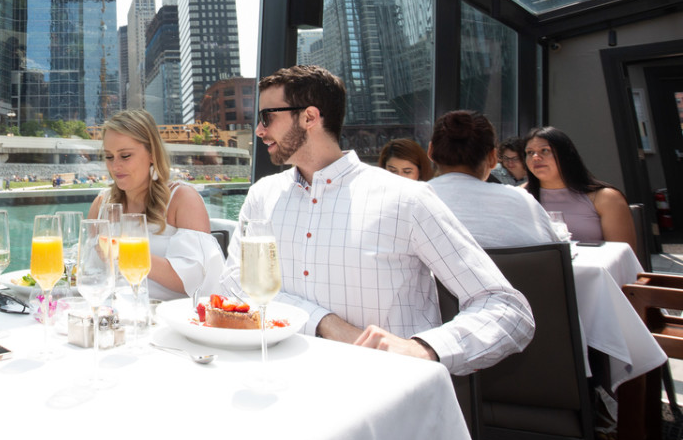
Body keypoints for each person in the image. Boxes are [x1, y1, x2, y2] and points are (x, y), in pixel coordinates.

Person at [221, 65, 533, 375]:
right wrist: (324, 322)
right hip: (279, 379)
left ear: (310, 117)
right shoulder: (262, 196)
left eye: (266, 117)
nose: (259, 130)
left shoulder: (406, 199)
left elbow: (506, 308)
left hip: (386, 388)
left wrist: (424, 349)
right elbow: (234, 284)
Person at [87, 109, 224, 301]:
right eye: (109, 157)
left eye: (125, 156)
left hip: (168, 320)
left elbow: (198, 279)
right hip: (112, 317)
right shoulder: (102, 203)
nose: (115, 166)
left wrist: (129, 254)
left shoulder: (182, 199)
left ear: (152, 153)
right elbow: (89, 271)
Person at [426, 110, 559, 248]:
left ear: (430, 151)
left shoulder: (410, 201)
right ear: (493, 157)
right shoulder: (522, 200)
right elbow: (556, 252)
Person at [524, 125, 635, 249]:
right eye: (530, 152)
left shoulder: (606, 198)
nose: (535, 157)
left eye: (545, 150)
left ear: (565, 156)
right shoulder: (519, 195)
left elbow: (623, 256)